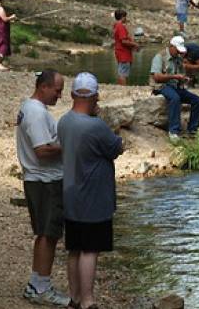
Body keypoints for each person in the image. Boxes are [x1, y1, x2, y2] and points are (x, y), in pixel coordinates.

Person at [58, 72, 123, 309]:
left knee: (74, 249)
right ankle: (88, 301)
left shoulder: (64, 121)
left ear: (73, 94)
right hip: (94, 199)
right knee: (90, 250)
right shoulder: (96, 126)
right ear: (95, 96)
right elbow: (116, 148)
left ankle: (74, 298)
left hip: (71, 194)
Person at [16, 69, 71, 306]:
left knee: (44, 234)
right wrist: (68, 145)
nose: (59, 96)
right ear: (44, 87)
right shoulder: (37, 114)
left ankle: (36, 283)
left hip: (38, 180)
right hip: (45, 181)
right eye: (57, 90)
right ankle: (41, 287)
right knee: (49, 235)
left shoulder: (29, 108)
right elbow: (42, 151)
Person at [150, 36, 199, 142]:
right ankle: (173, 131)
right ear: (171, 46)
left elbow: (180, 74)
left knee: (197, 100)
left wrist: (184, 79)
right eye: (177, 50)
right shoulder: (160, 56)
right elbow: (156, 77)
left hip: (175, 86)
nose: (179, 53)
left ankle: (193, 130)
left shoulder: (178, 59)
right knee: (175, 98)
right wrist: (174, 77)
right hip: (161, 86)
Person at [112, 9, 139, 86]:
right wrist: (134, 44)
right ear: (122, 17)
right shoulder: (120, 26)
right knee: (123, 73)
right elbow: (123, 41)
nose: (126, 19)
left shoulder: (116, 26)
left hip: (120, 52)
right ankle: (123, 88)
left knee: (122, 71)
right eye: (125, 17)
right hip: (123, 53)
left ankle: (121, 87)